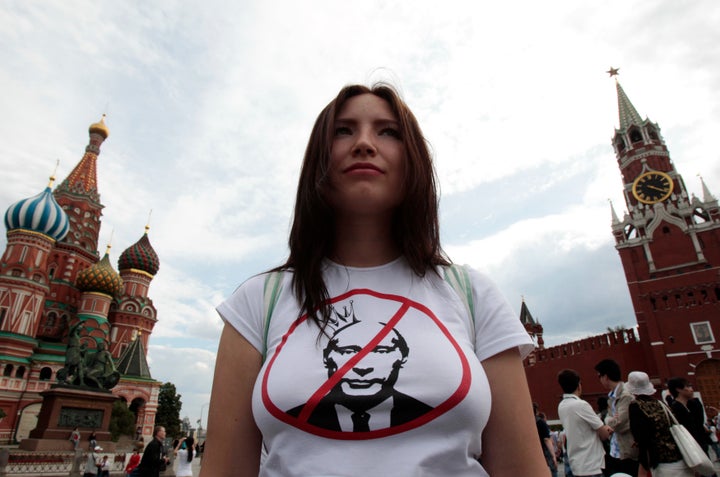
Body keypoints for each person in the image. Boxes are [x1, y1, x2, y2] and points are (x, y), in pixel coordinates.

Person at [201, 83, 546, 476]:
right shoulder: (256, 302)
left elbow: (524, 469)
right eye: (343, 130)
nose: (364, 143)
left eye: (388, 131)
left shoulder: (472, 295)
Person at [627, 371, 693, 477]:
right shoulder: (661, 403)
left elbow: (642, 439)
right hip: (680, 457)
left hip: (661, 462)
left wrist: (643, 467)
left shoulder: (636, 406)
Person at [557, 369, 613, 477]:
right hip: (591, 464)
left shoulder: (562, 406)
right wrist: (608, 428)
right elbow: (604, 433)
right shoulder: (581, 405)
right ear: (579, 385)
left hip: (576, 464)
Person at [595, 359, 639, 476]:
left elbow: (620, 423)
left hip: (628, 452)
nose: (599, 380)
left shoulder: (626, 395)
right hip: (616, 451)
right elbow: (612, 419)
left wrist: (609, 421)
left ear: (606, 377)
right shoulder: (612, 397)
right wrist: (610, 420)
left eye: (599, 376)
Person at [667, 377, 713, 457]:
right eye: (687, 387)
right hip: (691, 447)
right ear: (678, 389)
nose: (691, 389)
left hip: (701, 444)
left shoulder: (692, 405)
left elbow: (699, 422)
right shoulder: (676, 408)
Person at [534, 402, 558, 476]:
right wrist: (553, 455)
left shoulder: (526, 422)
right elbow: (546, 440)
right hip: (545, 452)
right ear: (537, 411)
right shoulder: (541, 422)